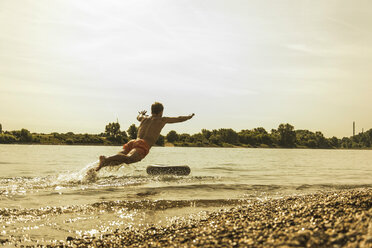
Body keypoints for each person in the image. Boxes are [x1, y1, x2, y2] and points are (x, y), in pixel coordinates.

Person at [95, 102, 194, 171]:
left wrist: (141, 114)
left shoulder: (144, 118)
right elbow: (179, 119)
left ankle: (96, 169)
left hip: (133, 142)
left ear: (151, 111)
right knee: (129, 159)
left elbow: (138, 117)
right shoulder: (162, 119)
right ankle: (106, 159)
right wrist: (189, 117)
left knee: (120, 160)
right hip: (143, 144)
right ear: (161, 111)